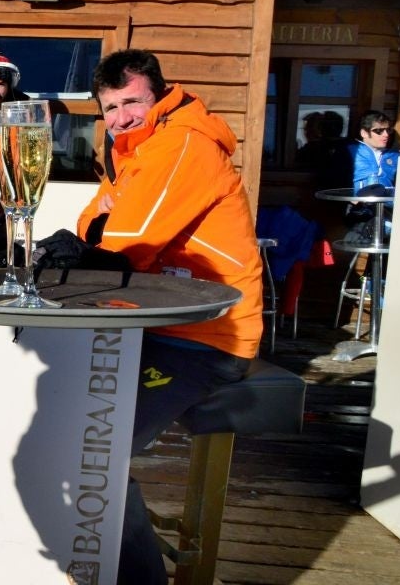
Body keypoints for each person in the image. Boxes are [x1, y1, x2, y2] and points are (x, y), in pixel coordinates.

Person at [34, 50, 263, 585]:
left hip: (207, 338)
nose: (120, 118)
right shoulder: (132, 152)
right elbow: (94, 224)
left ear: (159, 95)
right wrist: (92, 243)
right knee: (62, 421)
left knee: (91, 451)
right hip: (155, 328)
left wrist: (92, 246)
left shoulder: (183, 144)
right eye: (110, 108)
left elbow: (125, 245)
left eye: (132, 102)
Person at [350, 109, 398, 190]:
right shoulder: (350, 152)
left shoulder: (395, 156)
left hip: (387, 201)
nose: (386, 135)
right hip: (357, 200)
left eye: (388, 130)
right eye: (379, 131)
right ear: (364, 133)